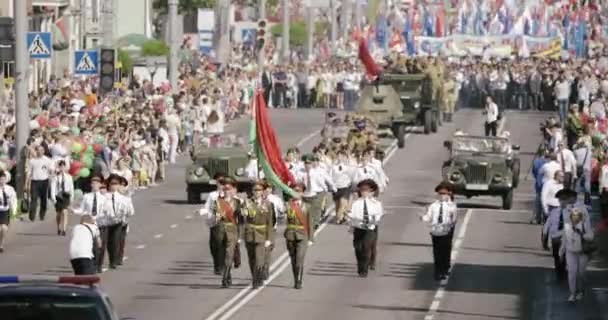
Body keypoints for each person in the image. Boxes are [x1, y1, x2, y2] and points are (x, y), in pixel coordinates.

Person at [209, 177, 244, 288]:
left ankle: (225, 277)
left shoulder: (238, 202)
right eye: (225, 190)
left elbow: (241, 220)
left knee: (229, 255)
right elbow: (214, 216)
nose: (227, 192)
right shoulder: (217, 202)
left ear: (233, 190)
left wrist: (240, 235)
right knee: (223, 255)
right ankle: (227, 275)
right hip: (220, 230)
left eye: (229, 189)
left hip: (232, 230)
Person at [420, 182, 458, 280]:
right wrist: (422, 217)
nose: (442, 195)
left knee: (444, 251)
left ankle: (444, 269)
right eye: (440, 193)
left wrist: (449, 226)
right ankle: (437, 271)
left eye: (444, 193)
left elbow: (453, 219)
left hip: (445, 231)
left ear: (449, 194)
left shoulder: (452, 206)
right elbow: (428, 217)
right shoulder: (433, 206)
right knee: (437, 252)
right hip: (435, 231)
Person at [347, 179, 384, 277]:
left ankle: (365, 269)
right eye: (362, 191)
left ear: (370, 192)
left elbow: (379, 214)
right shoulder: (356, 203)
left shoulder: (376, 203)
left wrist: (375, 219)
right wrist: (351, 218)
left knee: (366, 247)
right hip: (358, 227)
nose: (364, 193)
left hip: (370, 227)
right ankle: (360, 266)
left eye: (366, 191)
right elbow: (351, 214)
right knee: (358, 248)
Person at [542, 188, 579, 282]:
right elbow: (547, 225)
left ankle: (566, 270)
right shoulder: (554, 212)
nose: (561, 202)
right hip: (555, 238)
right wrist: (544, 238)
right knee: (556, 256)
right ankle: (559, 271)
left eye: (563, 200)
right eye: (560, 200)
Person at [242, 181, 274, 289]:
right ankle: (255, 277)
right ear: (252, 191)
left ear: (262, 192)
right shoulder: (247, 203)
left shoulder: (268, 204)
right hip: (250, 234)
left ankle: (256, 279)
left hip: (261, 234)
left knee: (259, 259)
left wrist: (269, 238)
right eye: (255, 190)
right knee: (252, 258)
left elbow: (269, 223)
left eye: (259, 190)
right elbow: (243, 218)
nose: (257, 192)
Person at [560, 207, 594, 302]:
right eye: (573, 217)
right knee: (572, 273)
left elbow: (591, 236)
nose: (575, 219)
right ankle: (572, 293)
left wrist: (583, 235)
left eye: (577, 217)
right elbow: (564, 240)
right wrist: (561, 252)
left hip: (582, 252)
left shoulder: (584, 225)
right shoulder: (567, 226)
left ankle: (581, 291)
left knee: (581, 273)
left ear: (580, 217)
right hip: (570, 252)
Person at [101, 174, 134, 271]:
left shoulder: (124, 198)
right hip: (106, 222)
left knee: (115, 241)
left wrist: (125, 212)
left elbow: (131, 212)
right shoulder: (103, 197)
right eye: (111, 184)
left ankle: (113, 261)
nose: (113, 186)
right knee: (105, 242)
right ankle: (101, 261)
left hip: (118, 222)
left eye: (116, 184)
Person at [284, 182, 314, 289]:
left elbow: (310, 222)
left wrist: (311, 238)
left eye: (298, 191)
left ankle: (299, 281)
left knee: (299, 259)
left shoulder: (307, 206)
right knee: (293, 259)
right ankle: (295, 278)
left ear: (302, 193)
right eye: (294, 191)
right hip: (290, 234)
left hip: (302, 235)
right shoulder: (288, 205)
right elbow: (283, 216)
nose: (296, 193)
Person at [296, 154, 336, 230]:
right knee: (306, 208)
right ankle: (307, 221)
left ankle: (315, 222)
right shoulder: (300, 172)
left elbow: (324, 180)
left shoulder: (317, 171)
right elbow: (297, 181)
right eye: (306, 163)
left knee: (316, 207)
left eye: (309, 163)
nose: (307, 165)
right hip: (306, 193)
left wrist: (330, 188)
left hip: (319, 191)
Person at [201, 173, 227, 274]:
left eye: (223, 183)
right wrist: (202, 212)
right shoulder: (212, 195)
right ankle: (217, 264)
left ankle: (223, 265)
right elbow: (207, 208)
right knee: (214, 246)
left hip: (227, 223)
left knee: (225, 245)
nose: (221, 185)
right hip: (214, 223)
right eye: (219, 183)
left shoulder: (229, 195)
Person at [263, 181, 284, 280]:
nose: (267, 190)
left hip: (272, 228)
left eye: (269, 188)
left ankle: (265, 267)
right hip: (259, 229)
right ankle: (261, 268)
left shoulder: (275, 199)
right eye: (265, 188)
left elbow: (282, 210)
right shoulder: (256, 200)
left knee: (268, 249)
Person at [27, 145, 54, 221]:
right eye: (39, 150)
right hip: (34, 181)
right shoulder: (32, 161)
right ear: (36, 151)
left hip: (44, 181)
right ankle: (32, 216)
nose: (40, 151)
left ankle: (42, 214)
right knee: (34, 199)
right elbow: (29, 172)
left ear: (44, 151)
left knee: (43, 199)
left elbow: (51, 169)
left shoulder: (47, 160)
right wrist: (27, 183)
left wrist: (51, 173)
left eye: (42, 150)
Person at [50, 160, 74, 236]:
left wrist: (72, 197)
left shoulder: (69, 177)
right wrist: (53, 197)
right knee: (59, 214)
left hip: (66, 196)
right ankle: (58, 227)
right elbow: (53, 188)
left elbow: (71, 187)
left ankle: (64, 229)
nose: (62, 168)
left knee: (65, 212)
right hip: (59, 196)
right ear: (59, 167)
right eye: (61, 166)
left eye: (63, 166)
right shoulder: (56, 177)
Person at [116, 175, 133, 266]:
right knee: (113, 241)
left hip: (123, 222)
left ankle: (119, 258)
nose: (122, 187)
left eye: (123, 185)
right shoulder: (109, 196)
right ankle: (114, 257)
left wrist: (126, 211)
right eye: (120, 185)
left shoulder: (127, 199)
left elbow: (131, 212)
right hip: (111, 222)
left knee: (121, 241)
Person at [0, 170, 16, 253]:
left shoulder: (10, 189)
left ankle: (1, 244)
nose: (1, 181)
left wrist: (13, 211)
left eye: (3, 179)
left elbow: (13, 200)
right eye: (0, 179)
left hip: (5, 211)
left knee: (4, 228)